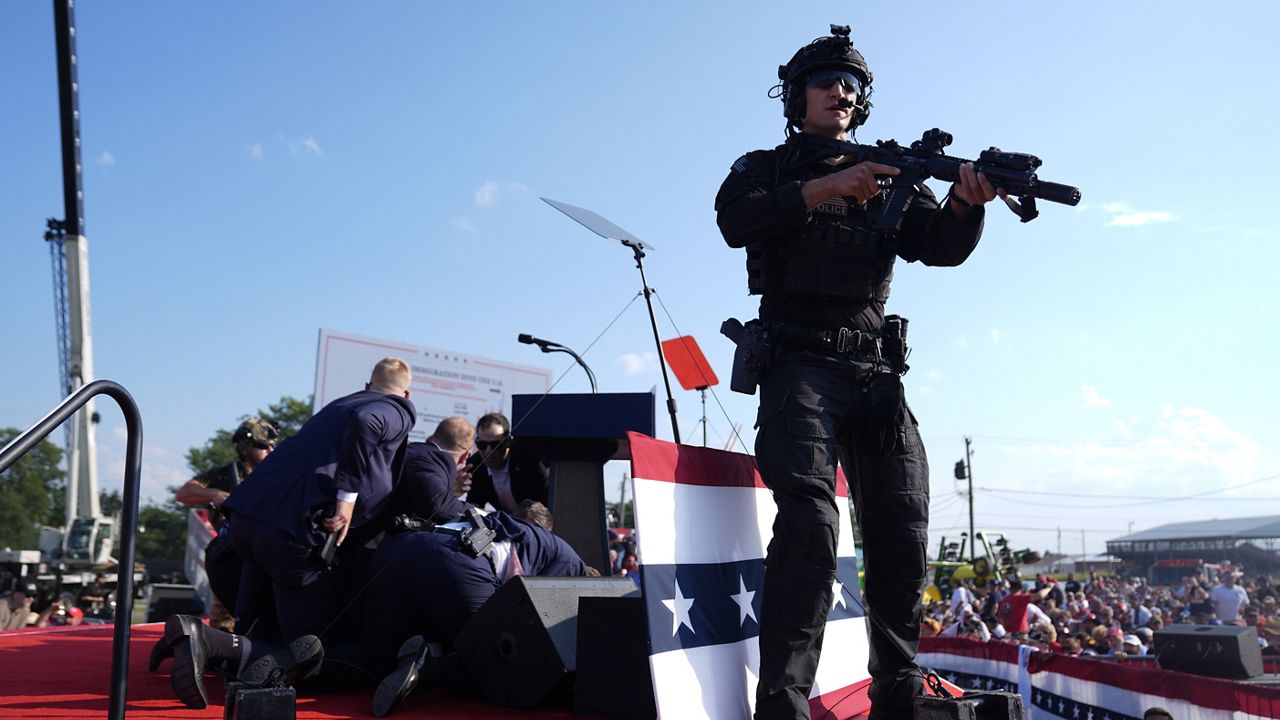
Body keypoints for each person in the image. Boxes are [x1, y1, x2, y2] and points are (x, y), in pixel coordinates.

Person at [714, 25, 1000, 720]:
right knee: (811, 526)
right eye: (825, 81)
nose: (839, 91)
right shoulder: (766, 168)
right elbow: (734, 221)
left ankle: (896, 703)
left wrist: (966, 204)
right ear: (795, 96)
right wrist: (829, 186)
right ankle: (781, 707)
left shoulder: (892, 173)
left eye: (851, 84)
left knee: (903, 531)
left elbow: (938, 248)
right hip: (798, 363)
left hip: (874, 372)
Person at [170, 357, 416, 710]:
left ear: (366, 385)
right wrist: (346, 500)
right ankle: (206, 642)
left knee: (259, 627)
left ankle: (207, 651)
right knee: (307, 655)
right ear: (406, 393)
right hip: (290, 535)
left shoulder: (338, 405)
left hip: (247, 522)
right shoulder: (396, 408)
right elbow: (368, 421)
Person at [362, 501, 590, 717]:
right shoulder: (573, 566)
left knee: (376, 656)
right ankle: (426, 669)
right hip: (456, 560)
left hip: (404, 548)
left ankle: (329, 661)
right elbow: (535, 622)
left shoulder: (533, 539)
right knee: (494, 659)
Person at [174, 417, 278, 630]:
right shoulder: (225, 476)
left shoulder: (276, 474)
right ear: (247, 446)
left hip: (264, 554)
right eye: (263, 446)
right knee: (225, 623)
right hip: (231, 556)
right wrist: (214, 494)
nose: (270, 449)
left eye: (271, 445)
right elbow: (184, 493)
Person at [464, 412, 549, 513]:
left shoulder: (531, 462)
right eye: (482, 444)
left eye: (496, 445)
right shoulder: (475, 465)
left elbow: (544, 506)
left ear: (508, 442)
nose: (488, 451)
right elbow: (474, 505)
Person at [398, 417, 474, 524]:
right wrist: (479, 513)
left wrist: (450, 491)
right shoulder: (434, 459)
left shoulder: (415, 450)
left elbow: (425, 498)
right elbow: (439, 507)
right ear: (464, 456)